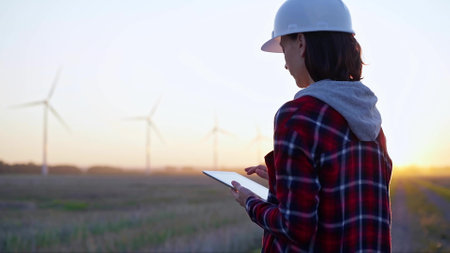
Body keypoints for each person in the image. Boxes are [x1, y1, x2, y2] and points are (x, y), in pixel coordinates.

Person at [230, 0, 393, 252]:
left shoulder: (298, 116)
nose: (285, 64)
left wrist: (250, 202)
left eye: (285, 50)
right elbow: (343, 198)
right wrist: (281, 178)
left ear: (302, 43)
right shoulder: (370, 117)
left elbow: (295, 227)